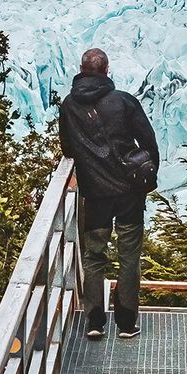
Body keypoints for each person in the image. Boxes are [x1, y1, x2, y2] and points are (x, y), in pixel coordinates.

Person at [58, 47, 159, 340]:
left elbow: (67, 148)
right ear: (106, 70)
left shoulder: (68, 105)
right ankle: (126, 324)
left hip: (95, 193)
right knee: (129, 255)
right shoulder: (124, 101)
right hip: (129, 192)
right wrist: (145, 173)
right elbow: (149, 142)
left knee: (94, 256)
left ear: (81, 68)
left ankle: (94, 322)